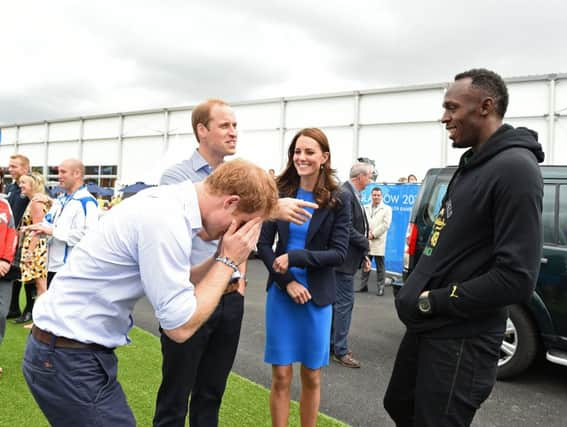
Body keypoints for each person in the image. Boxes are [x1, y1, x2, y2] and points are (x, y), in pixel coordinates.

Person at [22, 159, 278, 427]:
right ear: (230, 203)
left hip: (67, 352)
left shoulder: (167, 204)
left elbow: (175, 280)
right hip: (67, 357)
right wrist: (228, 261)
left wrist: (219, 258)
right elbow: (179, 327)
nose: (237, 233)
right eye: (242, 224)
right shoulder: (165, 219)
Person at [384, 68, 544, 427]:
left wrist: (431, 301)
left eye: (452, 107)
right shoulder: (472, 164)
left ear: (486, 106)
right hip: (430, 328)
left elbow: (516, 278)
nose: (444, 117)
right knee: (400, 404)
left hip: (462, 339)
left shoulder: (516, 169)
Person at [154, 99, 318, 427]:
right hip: (191, 294)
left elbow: (244, 233)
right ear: (202, 130)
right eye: (225, 125)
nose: (233, 132)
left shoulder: (243, 176)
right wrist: (269, 207)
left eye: (235, 125)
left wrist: (239, 279)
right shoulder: (178, 178)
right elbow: (199, 230)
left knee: (212, 392)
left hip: (230, 296)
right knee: (175, 396)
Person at [257, 128, 350, 427]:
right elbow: (262, 245)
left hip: (317, 296)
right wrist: (288, 281)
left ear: (324, 157)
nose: (301, 157)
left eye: (309, 152)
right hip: (282, 293)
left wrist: (296, 258)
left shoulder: (339, 199)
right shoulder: (279, 191)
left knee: (311, 374)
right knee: (281, 374)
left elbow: (339, 253)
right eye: (297, 151)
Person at [25, 158, 99, 287]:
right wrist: (37, 229)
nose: (59, 176)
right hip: (51, 267)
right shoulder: (60, 200)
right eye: (58, 172)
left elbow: (89, 236)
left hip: (72, 271)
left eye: (63, 172)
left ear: (76, 174)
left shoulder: (87, 201)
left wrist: (51, 231)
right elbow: (47, 225)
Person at [331, 162, 373, 368]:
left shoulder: (351, 193)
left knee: (339, 305)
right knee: (344, 306)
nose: (371, 180)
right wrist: (364, 242)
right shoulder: (346, 193)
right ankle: (340, 349)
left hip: (348, 260)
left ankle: (333, 345)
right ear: (360, 176)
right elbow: (345, 227)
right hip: (342, 262)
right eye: (370, 176)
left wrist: (363, 253)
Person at [18, 173, 53, 302]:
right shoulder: (35, 201)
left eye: (23, 183)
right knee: (40, 286)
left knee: (41, 286)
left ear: (33, 185)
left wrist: (30, 253)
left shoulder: (35, 203)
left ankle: (41, 320)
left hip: (37, 247)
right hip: (36, 246)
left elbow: (38, 229)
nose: (20, 185)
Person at [6, 154, 31, 320]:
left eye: (14, 166)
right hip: (12, 237)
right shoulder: (10, 188)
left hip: (28, 237)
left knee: (29, 274)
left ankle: (30, 309)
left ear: (25, 168)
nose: (10, 169)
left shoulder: (32, 186)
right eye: (10, 166)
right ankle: (13, 307)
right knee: (14, 272)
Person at [0, 175, 19, 377]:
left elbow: (12, 234)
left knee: (0, 314)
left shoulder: (4, 204)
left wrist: (5, 260)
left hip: (2, 269)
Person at [359, 187, 392, 296]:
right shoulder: (365, 207)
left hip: (378, 241)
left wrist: (373, 234)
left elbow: (385, 225)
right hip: (366, 240)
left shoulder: (387, 209)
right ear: (371, 196)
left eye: (378, 195)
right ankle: (363, 286)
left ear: (381, 196)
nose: (376, 197)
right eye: (374, 195)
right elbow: (362, 221)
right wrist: (366, 233)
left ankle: (381, 287)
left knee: (380, 267)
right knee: (365, 263)